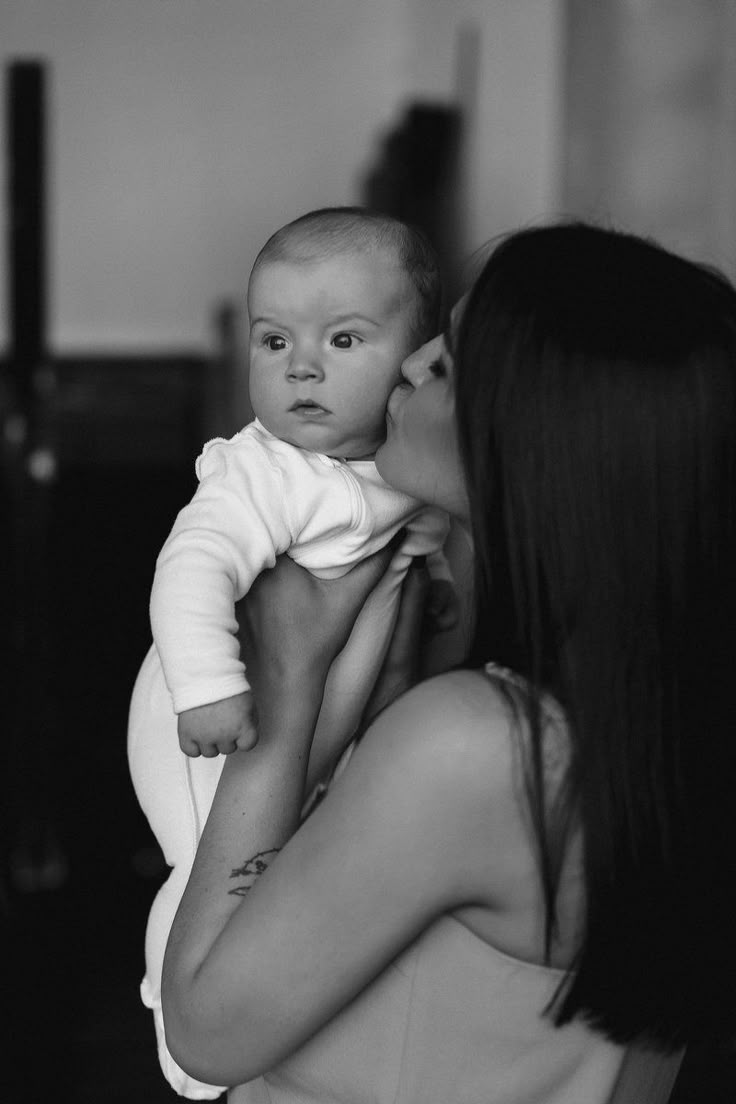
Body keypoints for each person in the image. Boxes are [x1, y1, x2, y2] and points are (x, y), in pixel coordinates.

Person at [158, 221, 736, 1103]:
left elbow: (203, 1030)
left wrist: (284, 683)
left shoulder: (479, 746)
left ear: (547, 439)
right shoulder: (657, 727)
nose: (416, 361)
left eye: (455, 362)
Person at [128, 206, 458, 1098]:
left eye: (345, 339)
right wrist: (209, 687)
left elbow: (420, 558)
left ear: (415, 359)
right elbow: (190, 566)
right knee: (208, 867)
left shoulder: (394, 472)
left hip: (312, 713)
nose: (301, 366)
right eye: (273, 341)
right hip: (209, 717)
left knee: (291, 864)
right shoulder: (264, 470)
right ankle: (183, 1009)